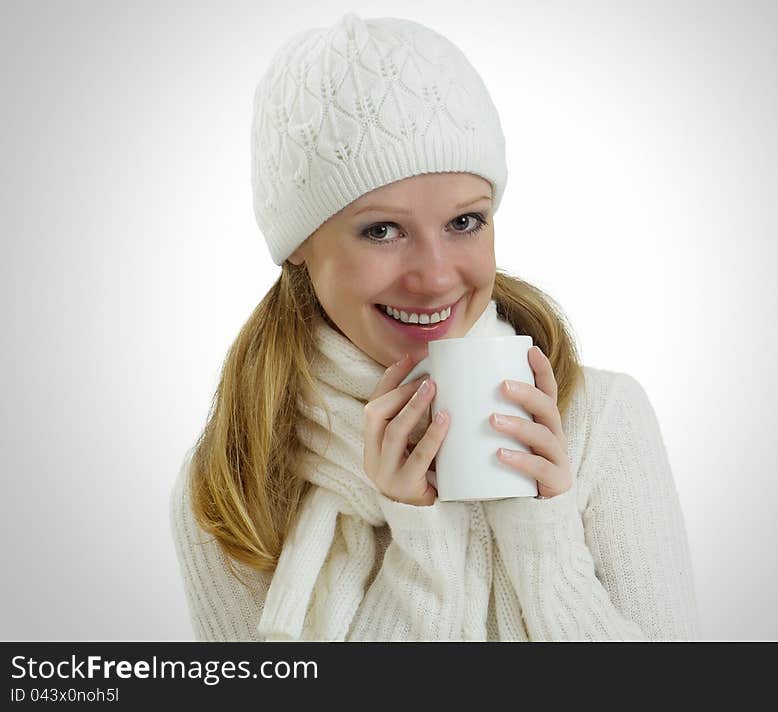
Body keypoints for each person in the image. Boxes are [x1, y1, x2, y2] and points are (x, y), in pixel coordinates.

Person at [169, 11, 700, 641]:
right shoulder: (238, 479)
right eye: (381, 230)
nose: (437, 276)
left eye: (465, 222)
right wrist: (422, 544)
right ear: (298, 247)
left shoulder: (601, 420)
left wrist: (544, 540)